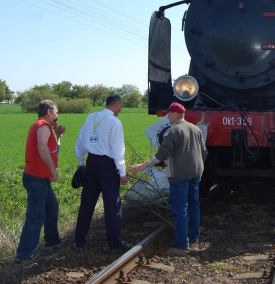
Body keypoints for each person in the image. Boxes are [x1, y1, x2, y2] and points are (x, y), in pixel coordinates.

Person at [130, 102, 208, 250]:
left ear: (176, 114)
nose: (168, 117)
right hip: (196, 173)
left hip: (179, 176)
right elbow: (204, 152)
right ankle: (195, 236)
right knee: (194, 205)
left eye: (169, 114)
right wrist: (197, 166)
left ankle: (182, 243)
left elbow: (163, 153)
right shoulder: (196, 129)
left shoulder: (172, 131)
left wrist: (143, 165)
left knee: (180, 209)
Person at [73, 95, 129, 253]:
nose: (121, 109)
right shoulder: (115, 122)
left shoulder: (91, 117)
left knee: (87, 203)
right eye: (121, 106)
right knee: (112, 205)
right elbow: (118, 150)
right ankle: (114, 243)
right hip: (107, 166)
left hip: (91, 163)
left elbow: (80, 141)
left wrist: (80, 160)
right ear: (117, 105)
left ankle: (79, 242)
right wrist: (122, 172)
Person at [15, 100, 68, 263]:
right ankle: (25, 255)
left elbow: (51, 148)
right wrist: (52, 168)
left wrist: (58, 135)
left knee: (52, 207)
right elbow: (42, 146)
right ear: (49, 112)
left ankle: (52, 240)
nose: (57, 116)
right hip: (37, 177)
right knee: (36, 217)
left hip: (40, 178)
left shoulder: (44, 127)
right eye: (56, 112)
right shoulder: (43, 126)